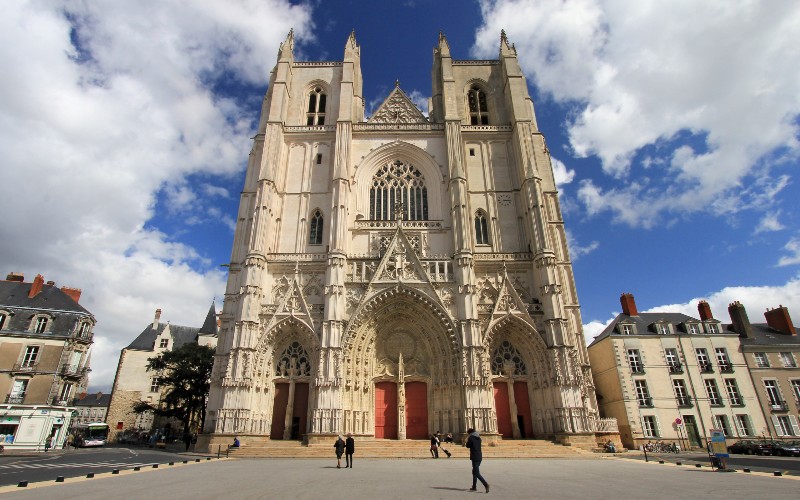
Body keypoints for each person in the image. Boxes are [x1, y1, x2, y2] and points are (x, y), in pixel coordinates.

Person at [466, 428, 489, 493]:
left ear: (469, 433)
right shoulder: (479, 438)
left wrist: (467, 440)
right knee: (474, 471)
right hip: (479, 456)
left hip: (474, 456)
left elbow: (467, 445)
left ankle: (486, 484)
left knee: (476, 472)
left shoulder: (471, 438)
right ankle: (474, 486)